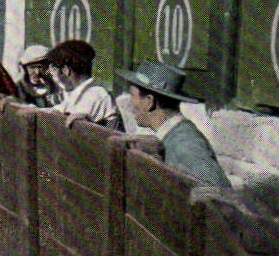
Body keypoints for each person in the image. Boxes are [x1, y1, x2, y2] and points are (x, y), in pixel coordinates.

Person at [117, 61, 231, 189]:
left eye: (132, 95)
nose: (130, 103)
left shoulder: (186, 146)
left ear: (149, 102)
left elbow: (220, 194)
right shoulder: (172, 136)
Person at [44, 39, 121, 130]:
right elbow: (59, 109)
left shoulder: (95, 94)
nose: (50, 74)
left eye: (53, 69)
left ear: (66, 70)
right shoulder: (76, 92)